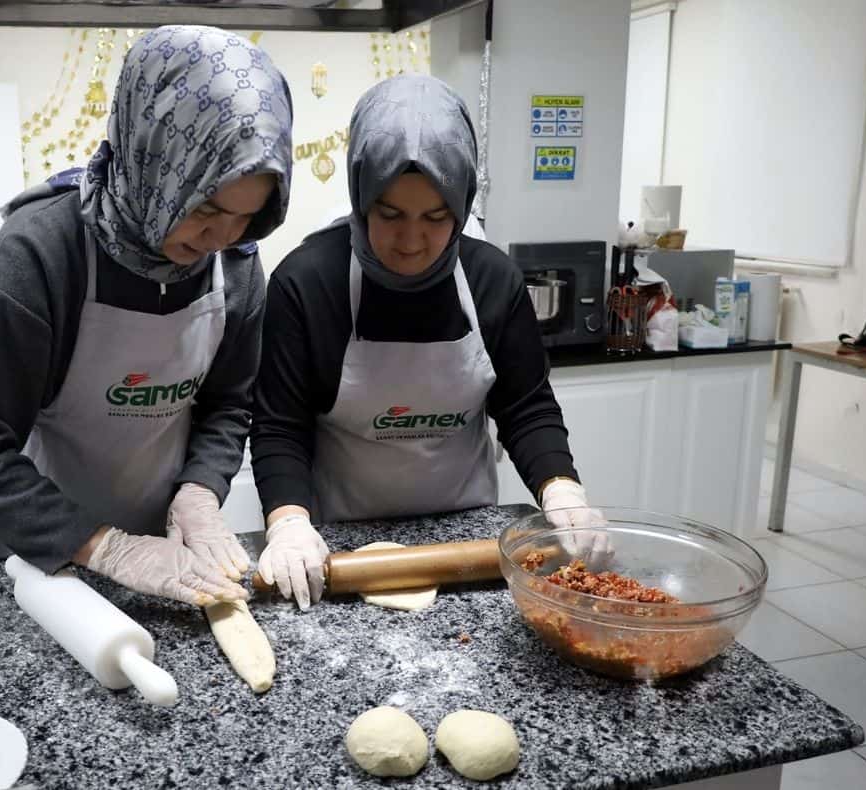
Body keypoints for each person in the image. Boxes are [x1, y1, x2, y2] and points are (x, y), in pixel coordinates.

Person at [0, 25, 293, 608]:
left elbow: (229, 402)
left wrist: (200, 490)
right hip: (30, 564)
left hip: (165, 565)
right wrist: (107, 548)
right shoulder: (41, 254)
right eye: (204, 206)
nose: (221, 237)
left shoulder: (236, 263)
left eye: (246, 216)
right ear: (154, 162)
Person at [249, 75, 603, 609]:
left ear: (461, 208)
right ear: (359, 195)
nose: (411, 242)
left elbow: (525, 407)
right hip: (342, 548)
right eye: (389, 214)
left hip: (467, 541)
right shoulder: (307, 284)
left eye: (436, 218)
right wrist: (289, 524)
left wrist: (562, 489)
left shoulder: (493, 282)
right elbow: (279, 426)